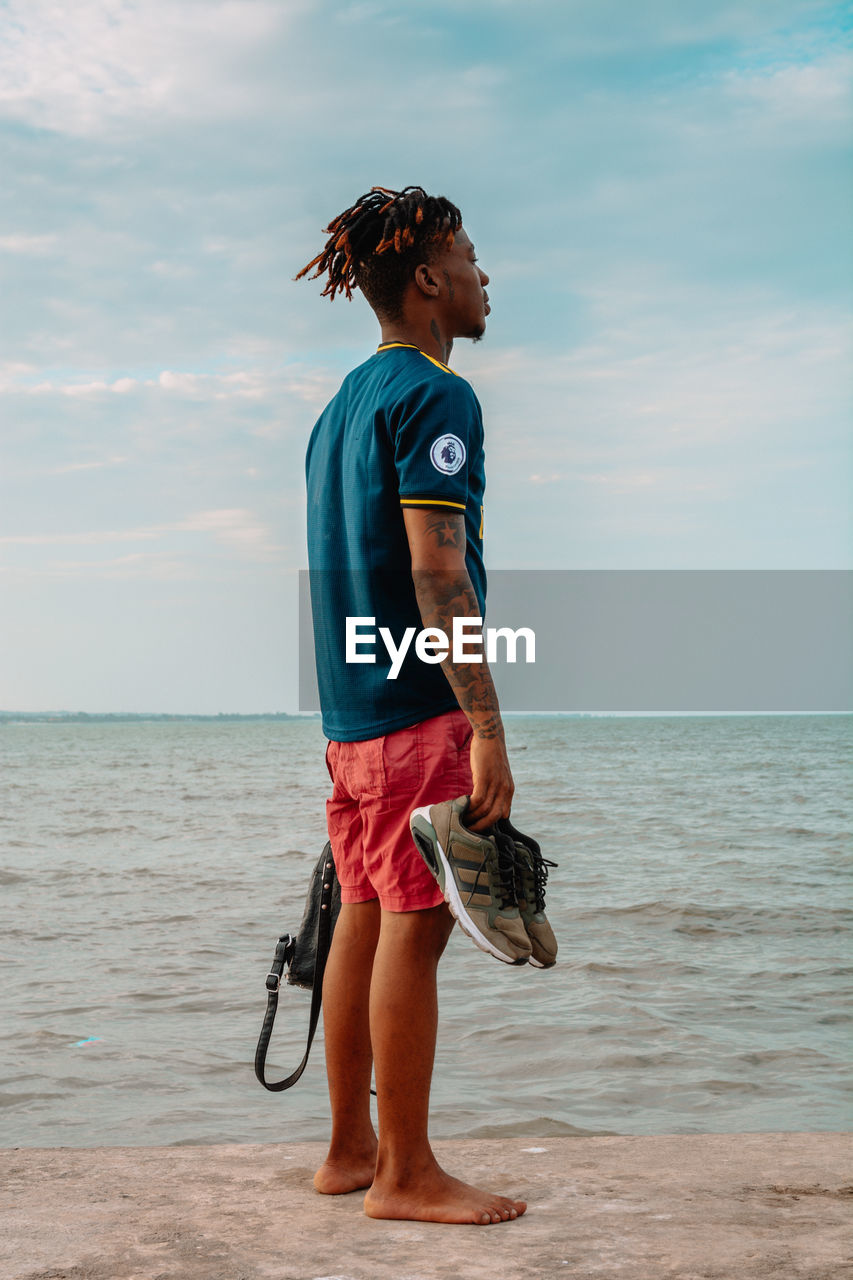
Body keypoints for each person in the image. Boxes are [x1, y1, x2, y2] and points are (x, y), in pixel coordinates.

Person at [298, 186, 526, 1225]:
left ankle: (348, 1150)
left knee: (359, 915)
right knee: (416, 923)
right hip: (412, 709)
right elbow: (440, 576)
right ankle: (406, 1172)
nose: (486, 276)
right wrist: (485, 725)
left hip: (348, 723)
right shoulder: (437, 395)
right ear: (429, 280)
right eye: (472, 257)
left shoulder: (338, 406)